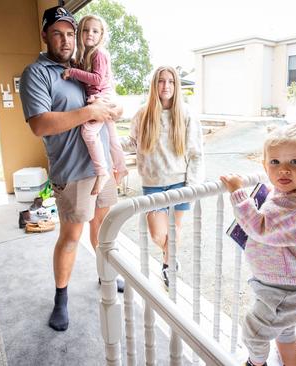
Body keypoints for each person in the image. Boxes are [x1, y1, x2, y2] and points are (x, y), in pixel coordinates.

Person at [19, 5, 123, 332]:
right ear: (45, 36)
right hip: (72, 172)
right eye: (57, 34)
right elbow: (40, 124)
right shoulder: (37, 73)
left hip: (100, 166)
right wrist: (90, 112)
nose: (65, 40)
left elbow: (106, 100)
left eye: (70, 34)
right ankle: (61, 298)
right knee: (70, 236)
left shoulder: (81, 66)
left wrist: (114, 109)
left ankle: (105, 273)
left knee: (102, 229)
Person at [220, 114, 296, 366]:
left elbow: (259, 227)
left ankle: (256, 364)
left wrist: (238, 193)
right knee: (285, 332)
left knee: (254, 333)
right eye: (275, 162)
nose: (284, 169)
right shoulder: (289, 194)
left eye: (295, 162)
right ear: (265, 166)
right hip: (284, 286)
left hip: (283, 291)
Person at [121, 66, 204, 288]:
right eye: (161, 81)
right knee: (158, 235)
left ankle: (168, 265)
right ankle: (171, 256)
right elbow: (132, 143)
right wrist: (109, 141)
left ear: (176, 86)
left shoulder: (186, 114)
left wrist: (193, 186)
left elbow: (196, 153)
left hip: (180, 183)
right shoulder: (143, 113)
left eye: (171, 82)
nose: (166, 86)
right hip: (153, 184)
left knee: (175, 228)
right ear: (154, 85)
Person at [62, 14, 127, 195]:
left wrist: (74, 72)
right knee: (112, 137)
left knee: (88, 133)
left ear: (101, 35)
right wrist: (76, 65)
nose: (90, 34)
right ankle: (121, 168)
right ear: (80, 33)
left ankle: (102, 172)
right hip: (101, 96)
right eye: (85, 30)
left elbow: (97, 79)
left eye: (95, 31)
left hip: (103, 96)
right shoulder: (86, 55)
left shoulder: (99, 53)